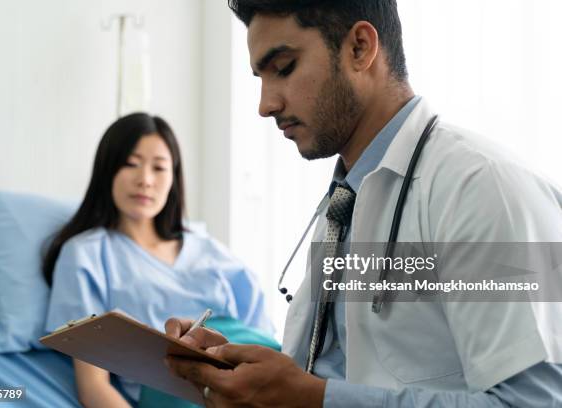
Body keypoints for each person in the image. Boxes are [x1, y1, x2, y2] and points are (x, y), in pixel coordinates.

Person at [164, 1, 562, 407]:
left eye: (283, 68)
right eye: (260, 78)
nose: (266, 105)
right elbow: (341, 374)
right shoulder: (345, 202)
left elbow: (535, 402)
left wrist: (311, 399)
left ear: (359, 47)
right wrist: (246, 379)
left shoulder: (481, 188)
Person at [42, 113, 276, 408]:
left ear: (173, 178)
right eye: (131, 164)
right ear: (107, 169)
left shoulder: (213, 253)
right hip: (175, 389)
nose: (145, 180)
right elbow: (93, 387)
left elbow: (266, 348)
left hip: (255, 385)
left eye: (159, 168)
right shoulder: (86, 254)